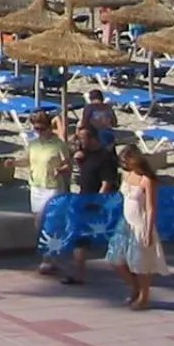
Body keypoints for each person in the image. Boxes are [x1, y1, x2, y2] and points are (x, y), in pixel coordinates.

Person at [106, 148, 168, 309]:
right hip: (125, 222)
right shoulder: (126, 175)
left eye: (126, 161)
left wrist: (148, 231)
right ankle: (134, 287)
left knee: (140, 264)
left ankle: (143, 296)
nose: (124, 165)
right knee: (116, 260)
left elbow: (151, 208)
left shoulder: (147, 180)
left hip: (140, 223)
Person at [60, 124, 120, 284]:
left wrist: (98, 203)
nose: (80, 141)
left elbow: (106, 183)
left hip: (97, 203)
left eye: (83, 138)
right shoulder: (83, 154)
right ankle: (78, 273)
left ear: (92, 138)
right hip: (83, 198)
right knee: (79, 238)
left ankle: (129, 267)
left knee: (107, 237)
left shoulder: (105, 158)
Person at [26, 110, 72, 273]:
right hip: (36, 185)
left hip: (52, 187)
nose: (38, 132)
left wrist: (60, 170)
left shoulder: (58, 144)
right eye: (35, 128)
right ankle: (52, 254)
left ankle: (48, 257)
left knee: (47, 222)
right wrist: (14, 163)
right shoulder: (33, 144)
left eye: (41, 128)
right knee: (39, 223)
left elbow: (68, 164)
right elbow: (27, 160)